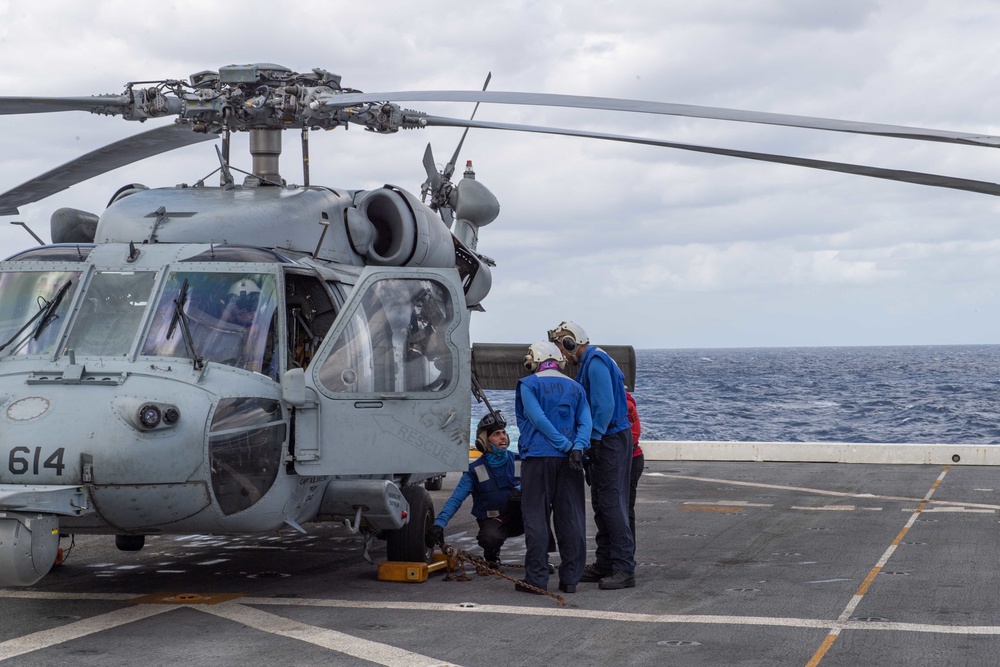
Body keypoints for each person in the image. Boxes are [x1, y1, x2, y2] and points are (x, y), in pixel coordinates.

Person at [549, 320, 636, 590]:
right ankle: (605, 563)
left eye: (562, 349)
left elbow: (604, 404)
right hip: (605, 439)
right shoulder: (591, 362)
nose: (562, 356)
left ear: (570, 343)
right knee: (601, 502)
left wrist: (595, 438)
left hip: (609, 439)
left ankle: (623, 568)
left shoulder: (595, 361)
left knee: (611, 503)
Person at [514, 341, 591, 595]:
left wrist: (564, 445)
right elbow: (585, 422)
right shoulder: (576, 387)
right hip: (571, 461)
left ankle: (536, 579)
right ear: (558, 361)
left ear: (535, 361)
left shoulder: (528, 384)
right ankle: (570, 579)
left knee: (536, 517)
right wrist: (576, 447)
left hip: (537, 458)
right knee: (571, 518)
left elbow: (538, 419)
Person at [425, 411, 522, 566]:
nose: (503, 437)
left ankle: (539, 557)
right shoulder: (475, 471)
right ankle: (491, 554)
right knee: (489, 538)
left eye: (504, 433)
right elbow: (456, 499)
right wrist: (439, 524)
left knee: (541, 512)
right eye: (496, 434)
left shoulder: (518, 461)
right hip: (494, 519)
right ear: (484, 440)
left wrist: (521, 488)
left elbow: (538, 485)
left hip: (520, 518)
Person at [626, 388, 644, 544]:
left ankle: (626, 551)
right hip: (633, 457)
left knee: (625, 508)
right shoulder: (627, 401)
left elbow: (633, 435)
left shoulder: (625, 404)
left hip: (629, 459)